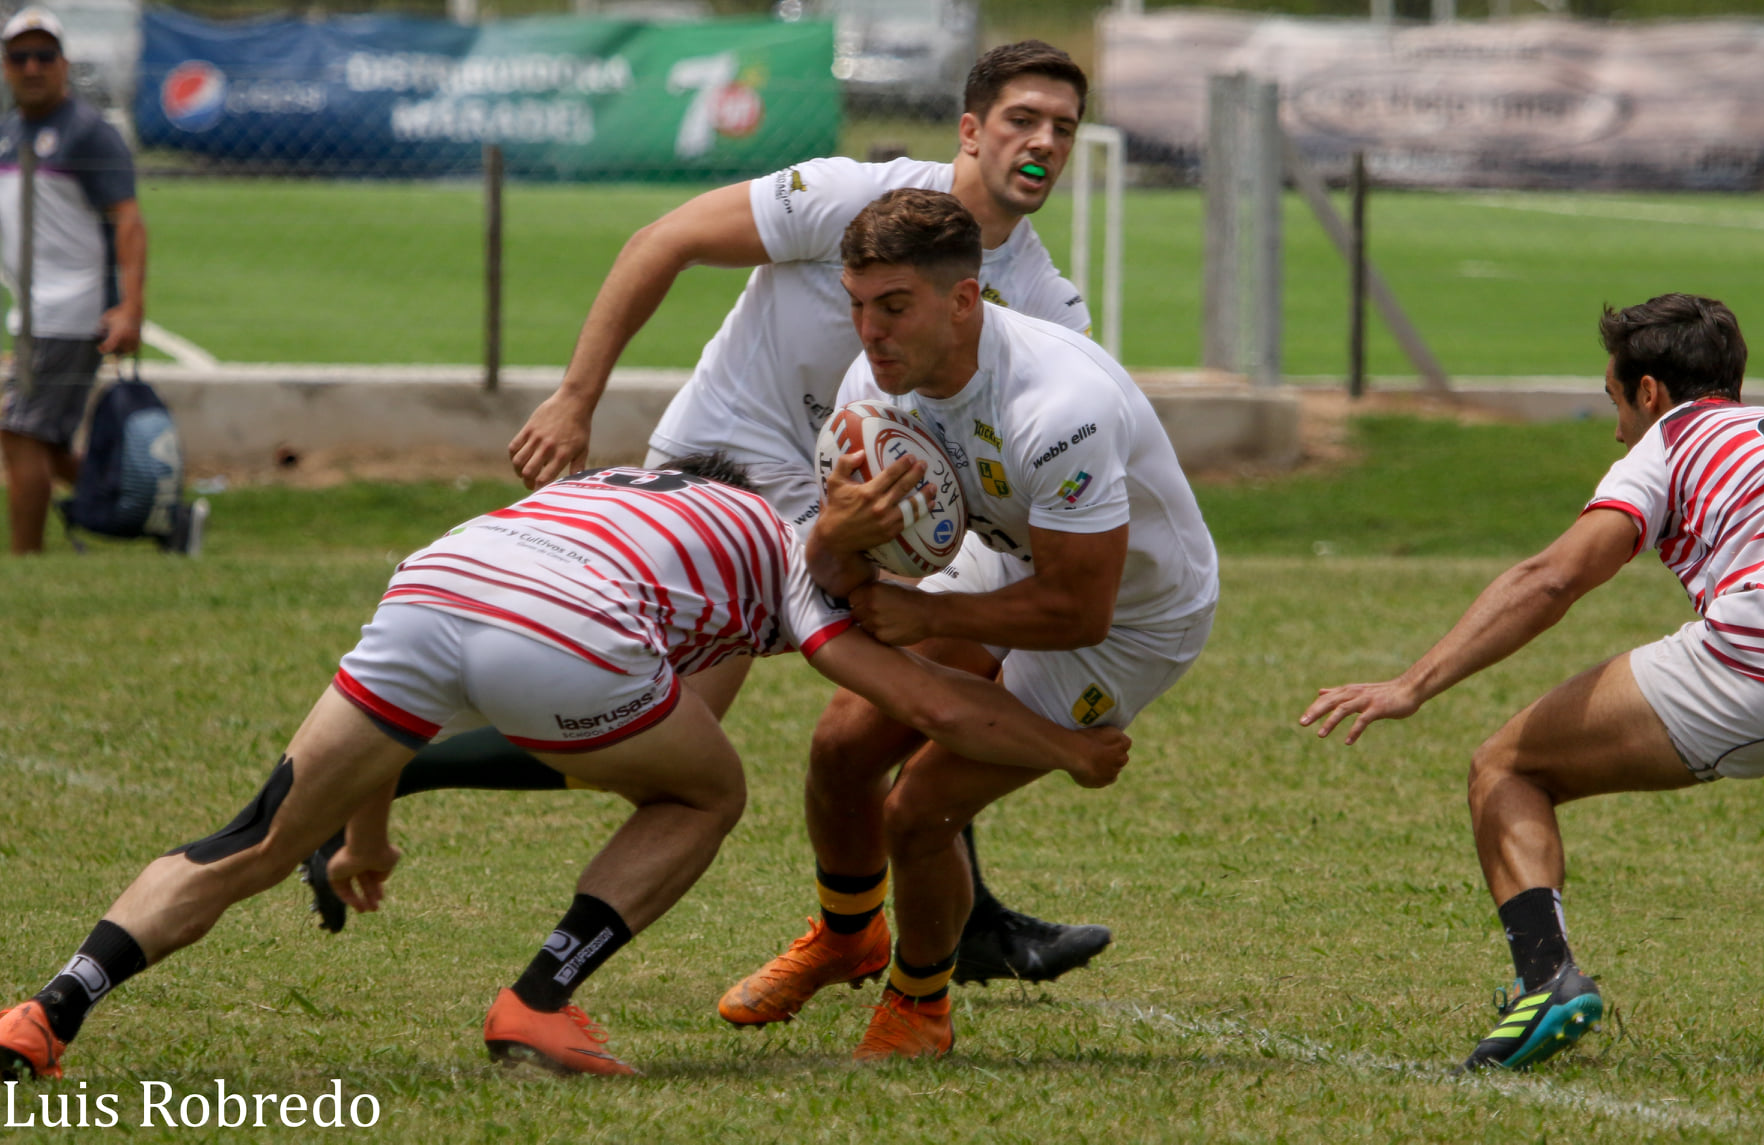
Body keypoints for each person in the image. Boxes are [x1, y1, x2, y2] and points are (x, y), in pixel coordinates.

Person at [301, 40, 1112, 987]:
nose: (1043, 143)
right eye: (1022, 119)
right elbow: (665, 240)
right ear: (971, 130)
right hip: (723, 473)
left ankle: (942, 913)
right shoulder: (855, 197)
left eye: (1062, 128)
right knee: (660, 738)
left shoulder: (1047, 306)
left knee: (896, 687)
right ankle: (393, 769)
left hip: (842, 508)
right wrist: (574, 398)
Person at [0, 453, 1129, 1082]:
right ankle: (539, 999)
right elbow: (921, 697)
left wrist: (367, 831)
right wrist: (1069, 746)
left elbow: (436, 688)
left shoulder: (624, 485)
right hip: (562, 624)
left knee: (248, 841)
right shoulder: (793, 565)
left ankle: (50, 1008)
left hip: (440, 576)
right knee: (711, 786)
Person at [1299, 294, 1764, 1070]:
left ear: (1648, 391)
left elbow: (1553, 578)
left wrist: (1412, 683)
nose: (1617, 424)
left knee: (1508, 767)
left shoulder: (1675, 435)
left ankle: (1546, 980)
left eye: (1614, 399)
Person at [721, 189, 1218, 1060]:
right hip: (1009, 556)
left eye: (894, 306)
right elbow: (838, 577)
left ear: (963, 299)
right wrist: (837, 539)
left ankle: (920, 1004)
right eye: (858, 305)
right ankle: (847, 938)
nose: (870, 331)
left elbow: (1077, 608)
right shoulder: (874, 389)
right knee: (842, 746)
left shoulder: (1058, 404)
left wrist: (927, 610)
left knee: (919, 811)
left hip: (1132, 616)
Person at [0, 7, 148, 555]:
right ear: (5, 65)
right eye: (20, 57)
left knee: (18, 431)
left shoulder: (87, 133)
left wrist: (130, 308)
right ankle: (156, 515)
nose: (32, 67)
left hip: (71, 308)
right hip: (32, 310)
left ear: (63, 64)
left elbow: (129, 222)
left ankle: (26, 560)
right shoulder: (12, 129)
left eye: (44, 56)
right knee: (47, 442)